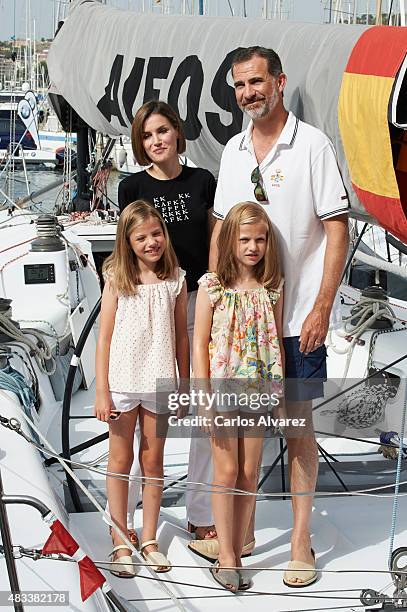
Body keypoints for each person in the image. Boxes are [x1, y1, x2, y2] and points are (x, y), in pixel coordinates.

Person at [208, 46, 349, 587]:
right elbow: (223, 228)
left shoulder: (312, 145)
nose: (248, 93)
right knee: (240, 438)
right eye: (240, 85)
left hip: (296, 324)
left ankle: (298, 541)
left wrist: (321, 307)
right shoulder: (234, 151)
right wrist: (214, 299)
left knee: (297, 431)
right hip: (244, 328)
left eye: (256, 81)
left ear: (279, 81)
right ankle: (238, 535)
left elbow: (336, 229)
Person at [118, 100, 219, 546]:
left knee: (202, 408)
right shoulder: (131, 186)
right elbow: (124, 248)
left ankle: (200, 512)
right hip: (145, 305)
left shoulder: (204, 182)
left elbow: (216, 240)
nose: (156, 140)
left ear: (177, 133)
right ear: (140, 143)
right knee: (142, 410)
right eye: (147, 135)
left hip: (197, 301)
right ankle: (133, 521)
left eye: (162, 131)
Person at [94, 200, 189, 576]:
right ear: (127, 242)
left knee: (153, 462)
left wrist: (183, 384)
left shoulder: (176, 279)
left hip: (160, 381)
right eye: (141, 238)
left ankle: (148, 538)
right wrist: (101, 391)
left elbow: (181, 336)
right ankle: (120, 537)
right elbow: (104, 338)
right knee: (120, 461)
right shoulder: (117, 278)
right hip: (121, 382)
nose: (151, 242)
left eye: (156, 234)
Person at [193, 201, 284, 592]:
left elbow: (275, 341)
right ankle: (226, 556)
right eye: (245, 239)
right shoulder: (212, 286)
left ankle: (239, 542)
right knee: (226, 471)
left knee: (249, 472)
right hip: (224, 389)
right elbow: (199, 343)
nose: (253, 247)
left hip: (259, 390)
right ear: (230, 240)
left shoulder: (272, 288)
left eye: (260, 239)